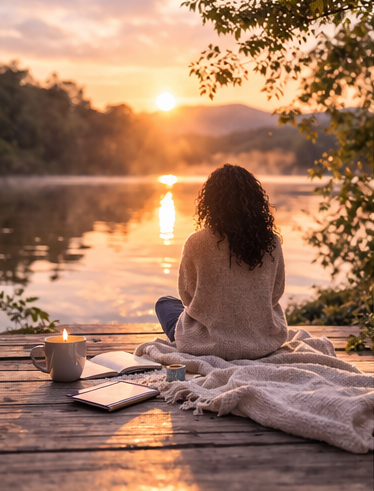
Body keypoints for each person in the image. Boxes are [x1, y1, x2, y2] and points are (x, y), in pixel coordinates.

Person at [155, 163, 288, 360]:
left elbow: (187, 296)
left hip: (208, 343)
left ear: (210, 202)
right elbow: (275, 293)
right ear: (255, 201)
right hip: (261, 343)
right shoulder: (272, 242)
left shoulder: (196, 242)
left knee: (164, 303)